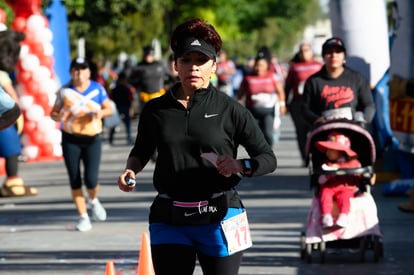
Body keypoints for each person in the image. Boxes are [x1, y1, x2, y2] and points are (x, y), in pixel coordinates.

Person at [117, 18, 277, 275]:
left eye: (201, 61)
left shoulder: (230, 109)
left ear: (213, 66)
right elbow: (141, 150)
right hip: (169, 217)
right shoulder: (156, 110)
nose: (193, 67)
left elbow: (267, 158)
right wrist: (130, 170)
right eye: (186, 60)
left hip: (221, 214)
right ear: (175, 65)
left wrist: (240, 165)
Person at [50, 57, 113, 232]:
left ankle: (93, 200)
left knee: (91, 180)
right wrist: (58, 117)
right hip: (71, 138)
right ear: (71, 72)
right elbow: (53, 113)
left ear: (88, 72)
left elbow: (110, 109)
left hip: (93, 138)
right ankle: (83, 217)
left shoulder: (97, 89)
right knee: (75, 179)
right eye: (76, 69)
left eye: (82, 69)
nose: (79, 73)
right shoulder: (64, 91)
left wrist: (100, 113)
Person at [301, 37, 376, 127]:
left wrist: (363, 120)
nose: (334, 55)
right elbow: (305, 108)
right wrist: (316, 120)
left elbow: (369, 105)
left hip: (353, 130)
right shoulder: (313, 82)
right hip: (323, 131)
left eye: (338, 51)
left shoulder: (357, 79)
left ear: (344, 55)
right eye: (329, 52)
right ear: (323, 56)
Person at [0, 29, 37, 197]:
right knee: (11, 149)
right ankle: (13, 181)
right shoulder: (2, 76)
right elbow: (11, 96)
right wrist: (17, 113)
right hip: (4, 117)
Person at [237, 52, 287, 146]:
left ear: (267, 65)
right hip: (252, 111)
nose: (258, 67)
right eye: (257, 65)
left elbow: (280, 91)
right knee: (253, 136)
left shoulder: (272, 76)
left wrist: (282, 105)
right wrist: (238, 104)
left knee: (268, 134)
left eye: (261, 65)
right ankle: (257, 156)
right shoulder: (248, 77)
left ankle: (268, 154)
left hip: (268, 111)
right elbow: (240, 93)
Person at [285, 42, 322, 163]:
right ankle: (305, 157)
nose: (304, 53)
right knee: (301, 133)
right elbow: (288, 86)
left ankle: (317, 156)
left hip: (315, 104)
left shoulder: (318, 66)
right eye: (301, 51)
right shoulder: (295, 67)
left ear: (311, 51)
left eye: (306, 50)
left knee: (316, 131)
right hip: (299, 103)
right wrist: (285, 103)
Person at [315, 131, 361, 228]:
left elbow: (358, 169)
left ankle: (343, 215)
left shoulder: (352, 162)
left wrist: (340, 167)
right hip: (330, 187)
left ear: (340, 151)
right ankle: (326, 216)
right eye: (328, 150)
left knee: (345, 197)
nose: (328, 152)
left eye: (331, 150)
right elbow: (320, 181)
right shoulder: (328, 164)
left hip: (346, 187)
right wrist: (327, 174)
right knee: (324, 193)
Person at [128, 45, 168, 114]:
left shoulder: (159, 65)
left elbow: (169, 77)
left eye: (150, 55)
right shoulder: (139, 67)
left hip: (158, 96)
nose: (149, 57)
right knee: (146, 118)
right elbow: (130, 79)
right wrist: (138, 86)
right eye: (147, 55)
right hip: (145, 98)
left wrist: (167, 85)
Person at [108, 71, 135, 145]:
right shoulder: (127, 89)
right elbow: (130, 99)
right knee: (127, 125)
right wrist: (131, 109)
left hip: (117, 109)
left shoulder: (114, 89)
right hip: (125, 108)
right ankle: (129, 139)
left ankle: (110, 139)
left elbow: (110, 99)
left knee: (114, 124)